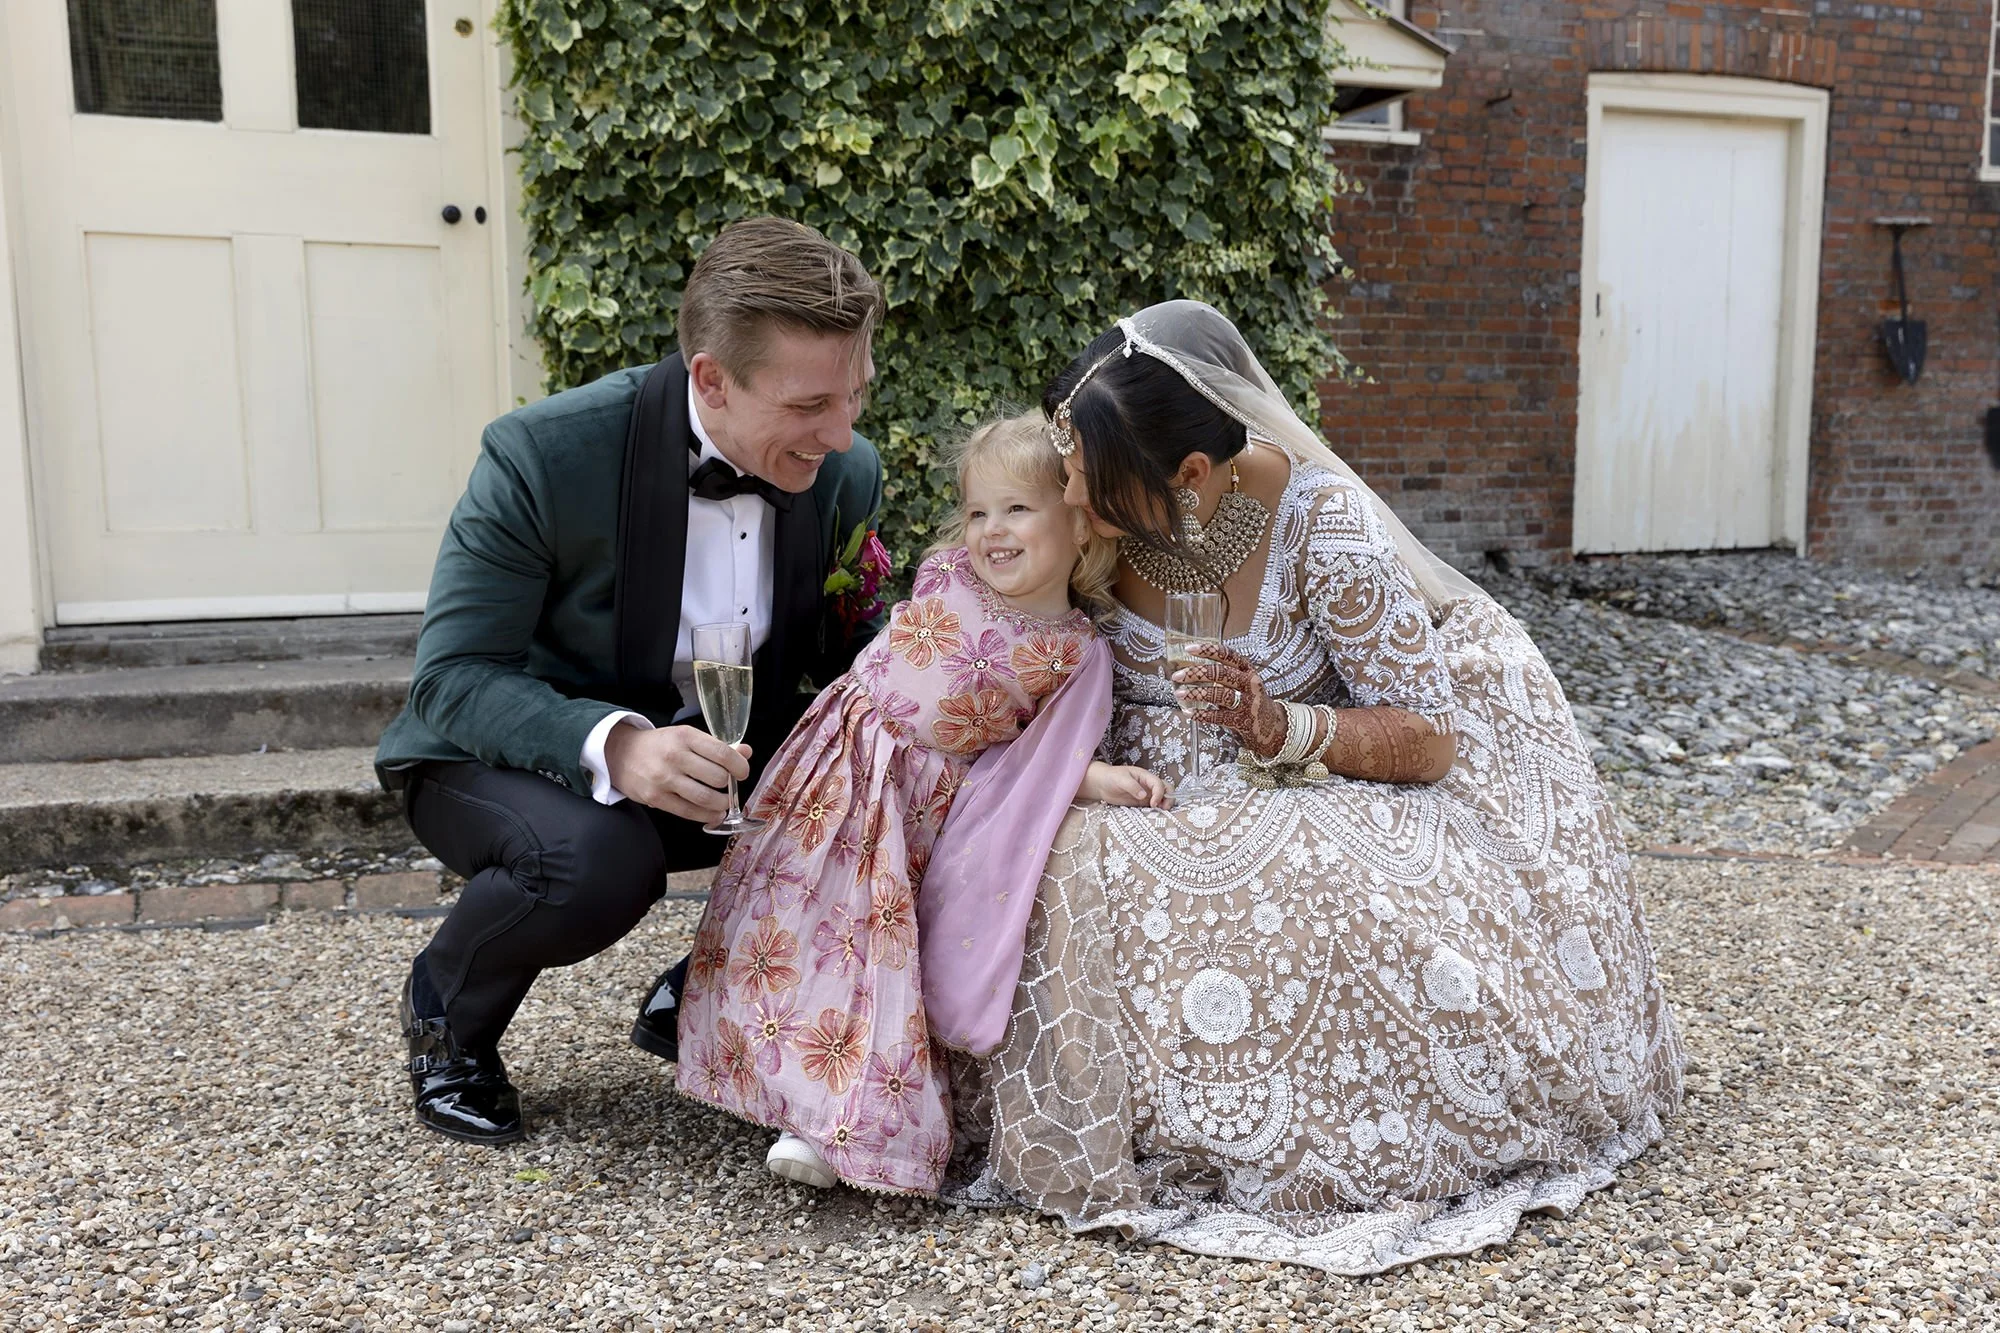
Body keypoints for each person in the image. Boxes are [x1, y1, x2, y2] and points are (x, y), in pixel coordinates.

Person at [947, 301, 1684, 1274]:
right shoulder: (1084, 517)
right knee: (1028, 869)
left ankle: (1279, 1146)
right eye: (1064, 456)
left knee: (1316, 895)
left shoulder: (1318, 530)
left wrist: (1275, 723)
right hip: (1115, 782)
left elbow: (1427, 740)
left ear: (1191, 477)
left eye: (1086, 472)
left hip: (1307, 775)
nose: (1065, 486)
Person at [373, 218, 887, 1145]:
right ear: (711, 380)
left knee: (898, 776)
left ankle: (705, 993)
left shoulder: (844, 473)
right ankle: (444, 1012)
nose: (842, 432)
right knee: (597, 862)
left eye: (855, 394)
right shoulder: (542, 456)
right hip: (498, 758)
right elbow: (450, 680)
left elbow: (845, 662)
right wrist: (619, 744)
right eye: (812, 404)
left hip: (714, 750)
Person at [673, 414, 1169, 1193]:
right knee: (791, 925)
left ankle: (838, 1124)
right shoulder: (948, 575)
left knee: (870, 960)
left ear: (1079, 521)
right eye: (977, 511)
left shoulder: (1074, 650)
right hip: (838, 765)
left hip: (915, 810)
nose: (991, 531)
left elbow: (1044, 754)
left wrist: (1094, 779)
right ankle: (768, 1075)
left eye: (1017, 509)